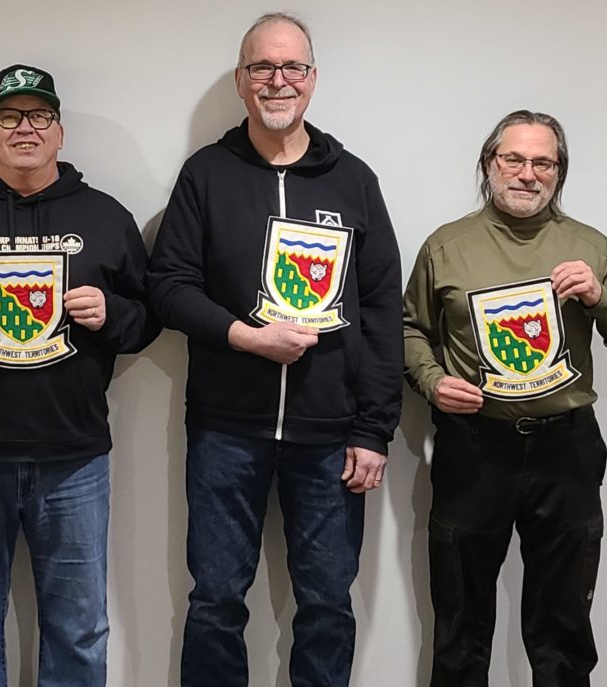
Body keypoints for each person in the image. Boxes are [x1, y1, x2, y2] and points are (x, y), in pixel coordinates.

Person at [147, 13, 403, 686]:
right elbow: (168, 285)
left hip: (331, 435)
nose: (277, 80)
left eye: (292, 67)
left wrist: (375, 430)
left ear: (313, 80)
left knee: (324, 605)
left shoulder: (354, 181)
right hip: (226, 431)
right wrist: (246, 336)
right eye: (263, 67)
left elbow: (381, 311)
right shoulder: (205, 175)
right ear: (241, 80)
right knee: (215, 602)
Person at [0, 63, 158, 686]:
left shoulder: (105, 216)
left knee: (79, 628)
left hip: (76, 458)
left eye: (39, 116)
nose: (25, 129)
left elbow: (149, 318)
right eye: (8, 117)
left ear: (60, 133)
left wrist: (110, 313)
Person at [403, 110, 607, 686]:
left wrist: (601, 299)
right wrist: (432, 381)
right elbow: (409, 328)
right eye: (512, 159)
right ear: (489, 165)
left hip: (565, 450)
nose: (527, 173)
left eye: (543, 162)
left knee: (563, 630)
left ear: (559, 171)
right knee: (460, 628)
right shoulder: (447, 246)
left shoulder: (590, 247)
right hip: (474, 447)